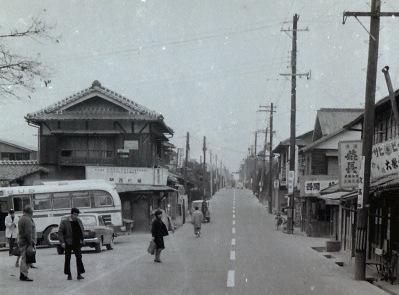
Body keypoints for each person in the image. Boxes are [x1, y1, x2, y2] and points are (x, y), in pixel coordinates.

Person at [58, 208, 85, 280]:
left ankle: (79, 274)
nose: (76, 216)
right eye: (74, 214)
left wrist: (82, 239)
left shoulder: (79, 221)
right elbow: (60, 232)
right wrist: (62, 242)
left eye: (77, 215)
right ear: (71, 214)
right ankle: (69, 275)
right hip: (68, 242)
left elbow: (82, 230)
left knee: (79, 258)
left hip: (77, 242)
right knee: (67, 259)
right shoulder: (65, 222)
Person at [17, 205, 34, 281]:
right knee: (26, 259)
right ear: (30, 212)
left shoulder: (21, 218)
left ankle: (23, 274)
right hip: (26, 242)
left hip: (21, 240)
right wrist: (30, 242)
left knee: (24, 258)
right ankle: (23, 275)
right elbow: (28, 233)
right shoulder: (27, 219)